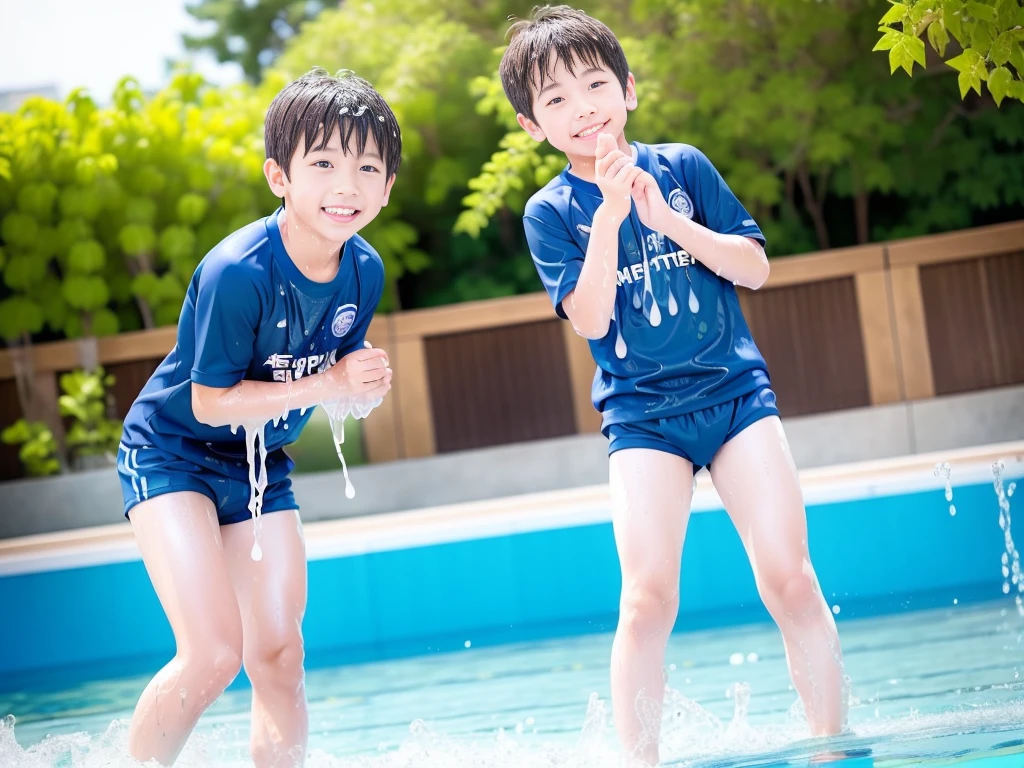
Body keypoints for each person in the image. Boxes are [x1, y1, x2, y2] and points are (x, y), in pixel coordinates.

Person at [498, 7, 849, 765]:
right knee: (647, 597)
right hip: (644, 418)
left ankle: (836, 748)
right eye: (555, 98)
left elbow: (754, 267)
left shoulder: (683, 166)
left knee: (790, 578)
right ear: (533, 125)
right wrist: (612, 221)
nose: (582, 105)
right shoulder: (550, 211)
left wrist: (669, 220)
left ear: (628, 89)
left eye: (595, 83)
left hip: (735, 399)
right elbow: (591, 318)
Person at [115, 68, 399, 767]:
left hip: (260, 465)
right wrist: (330, 379)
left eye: (368, 166)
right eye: (325, 162)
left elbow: (324, 375)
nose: (348, 184)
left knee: (278, 650)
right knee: (214, 653)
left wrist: (359, 381)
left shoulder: (365, 272)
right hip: (171, 453)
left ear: (388, 187)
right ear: (280, 175)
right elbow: (210, 400)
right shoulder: (236, 271)